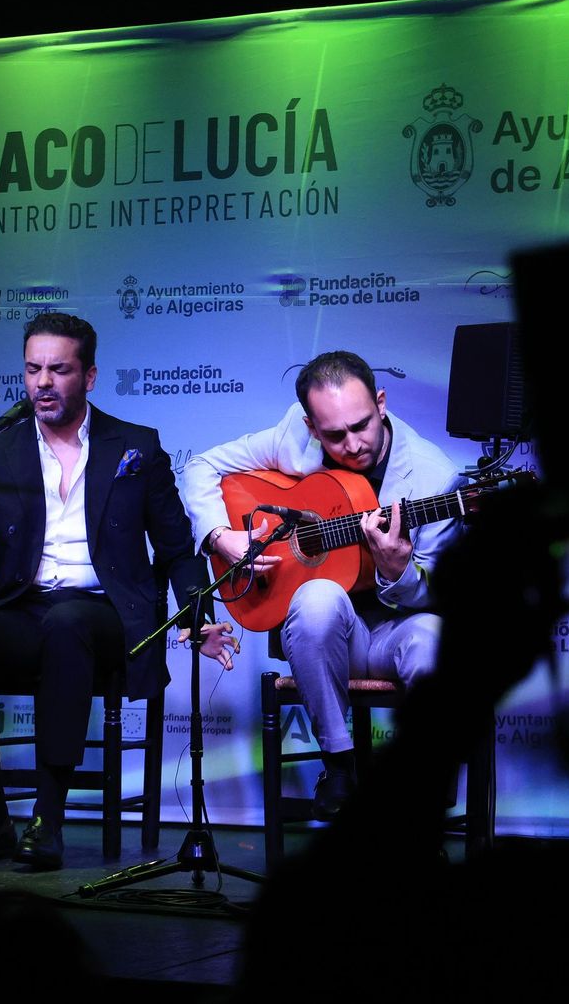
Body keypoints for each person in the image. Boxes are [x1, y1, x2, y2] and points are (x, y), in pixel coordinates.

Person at [0, 312, 237, 870]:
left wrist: (196, 614)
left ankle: (47, 819)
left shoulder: (135, 448)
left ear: (88, 377)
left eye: (58, 370)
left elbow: (175, 546)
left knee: (67, 623)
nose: (43, 382)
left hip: (107, 612)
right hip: (22, 606)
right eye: (33, 370)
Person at [182, 350, 460, 817]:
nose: (353, 444)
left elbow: (439, 592)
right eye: (334, 434)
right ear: (312, 427)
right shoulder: (294, 436)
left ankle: (424, 789)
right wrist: (220, 536)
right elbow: (200, 468)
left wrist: (395, 570)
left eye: (362, 424)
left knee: (435, 642)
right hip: (334, 635)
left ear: (382, 402)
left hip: (401, 629)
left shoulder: (435, 477)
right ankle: (339, 762)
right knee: (316, 597)